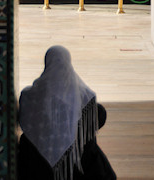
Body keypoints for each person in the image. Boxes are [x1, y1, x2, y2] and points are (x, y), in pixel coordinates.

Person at [17, 45, 116, 180]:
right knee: (86, 144)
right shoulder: (83, 96)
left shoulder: (30, 96)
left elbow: (23, 120)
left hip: (37, 166)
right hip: (77, 166)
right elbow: (100, 116)